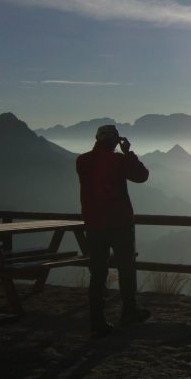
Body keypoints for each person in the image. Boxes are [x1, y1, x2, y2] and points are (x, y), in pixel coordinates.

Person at [76, 124, 151, 336]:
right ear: (116, 140)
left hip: (94, 225)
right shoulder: (119, 161)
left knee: (98, 274)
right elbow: (142, 176)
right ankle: (129, 312)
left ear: (97, 139)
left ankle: (97, 321)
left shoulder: (82, 161)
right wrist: (128, 152)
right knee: (126, 269)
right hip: (120, 224)